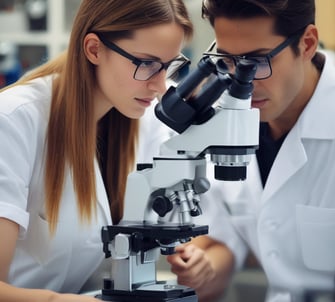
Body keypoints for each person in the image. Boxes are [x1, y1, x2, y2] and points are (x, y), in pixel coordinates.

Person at [166, 0, 335, 301]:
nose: (243, 81)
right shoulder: (226, 123)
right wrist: (200, 268)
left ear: (307, 43)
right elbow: (225, 246)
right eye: (227, 61)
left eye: (257, 62)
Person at [0, 0, 192, 301]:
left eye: (169, 66)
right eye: (147, 64)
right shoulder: (12, 120)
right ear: (94, 49)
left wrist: (193, 257)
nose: (160, 86)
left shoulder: (142, 121)